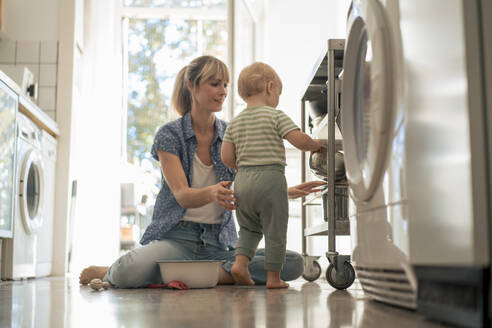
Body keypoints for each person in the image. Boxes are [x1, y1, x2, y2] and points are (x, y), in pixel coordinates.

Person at [79, 56, 326, 288]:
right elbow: (182, 195)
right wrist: (211, 194)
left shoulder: (229, 131)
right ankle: (116, 271)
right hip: (179, 240)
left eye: (226, 85)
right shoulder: (170, 135)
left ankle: (190, 274)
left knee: (292, 264)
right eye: (215, 84)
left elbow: (247, 178)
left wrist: (283, 190)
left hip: (220, 243)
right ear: (191, 85)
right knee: (126, 273)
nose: (223, 91)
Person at [221, 62, 323, 289]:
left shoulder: (235, 123)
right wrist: (316, 144)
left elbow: (226, 157)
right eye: (278, 92)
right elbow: (299, 140)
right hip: (271, 178)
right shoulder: (276, 116)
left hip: (243, 181)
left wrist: (244, 167)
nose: (277, 97)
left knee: (248, 229)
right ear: (270, 87)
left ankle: (240, 264)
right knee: (275, 229)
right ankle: (274, 279)